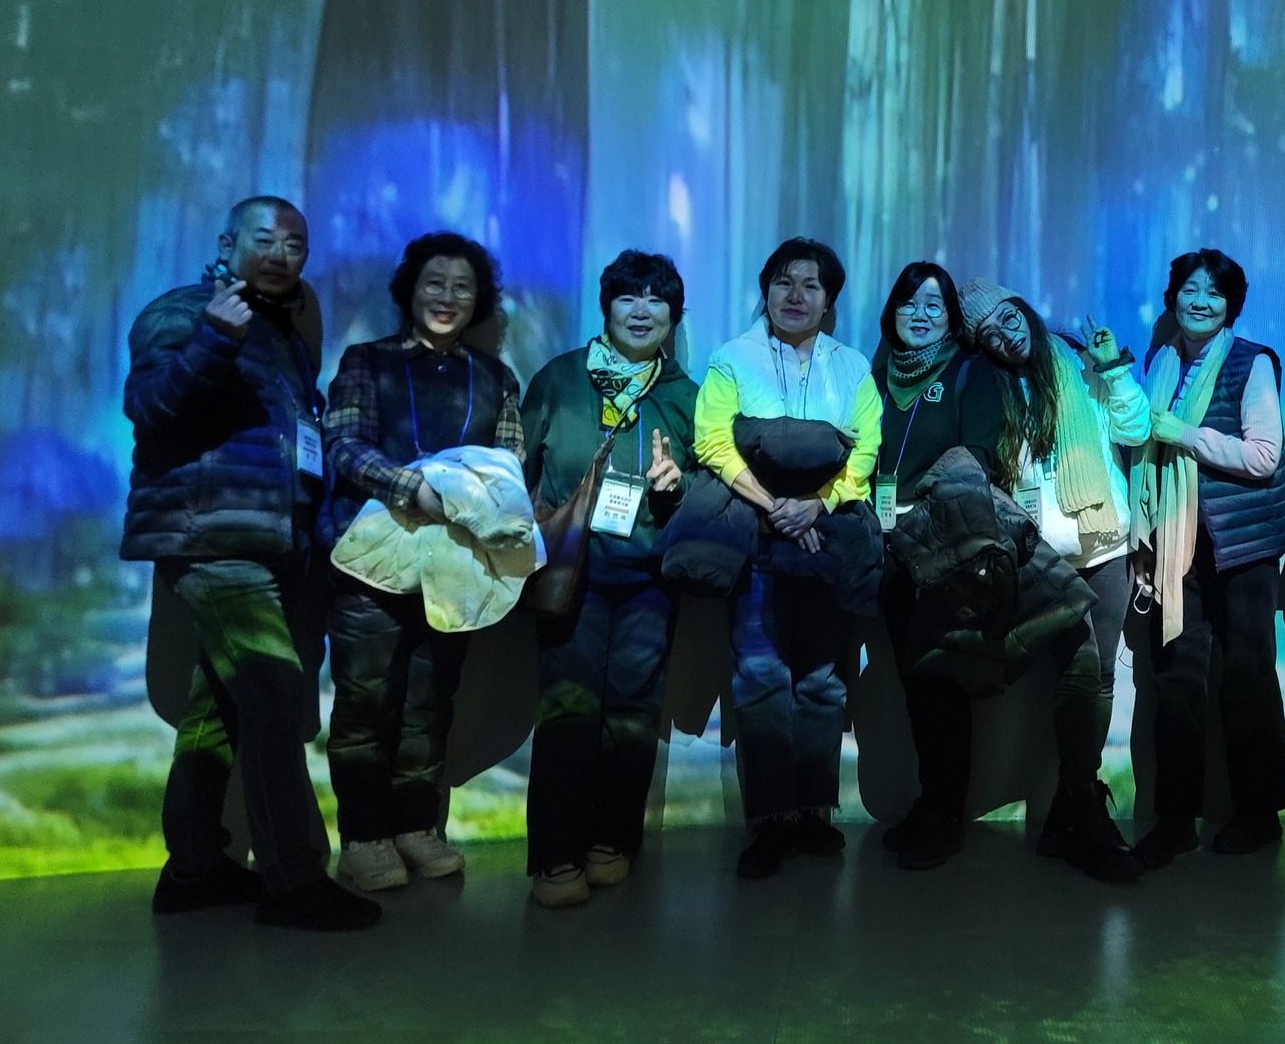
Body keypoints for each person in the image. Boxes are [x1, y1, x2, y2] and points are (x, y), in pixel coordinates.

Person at [124, 196, 379, 931]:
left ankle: (194, 868)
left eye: (294, 245)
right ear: (227, 243)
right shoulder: (181, 312)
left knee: (219, 706)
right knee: (271, 692)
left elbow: (298, 448)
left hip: (270, 544)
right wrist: (213, 337)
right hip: (210, 539)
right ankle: (293, 880)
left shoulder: (283, 337)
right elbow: (151, 408)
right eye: (263, 239)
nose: (278, 254)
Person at [322, 232, 523, 893]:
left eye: (462, 287)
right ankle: (363, 838)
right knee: (365, 703)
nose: (447, 297)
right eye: (434, 283)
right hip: (368, 566)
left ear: (478, 301)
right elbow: (344, 445)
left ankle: (416, 827)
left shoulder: (496, 378)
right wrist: (417, 490)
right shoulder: (366, 361)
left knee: (429, 703)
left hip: (456, 565)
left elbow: (511, 468)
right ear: (409, 290)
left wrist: (472, 505)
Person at [688, 238, 882, 880]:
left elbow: (865, 451)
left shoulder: (852, 367)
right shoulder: (731, 358)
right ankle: (770, 820)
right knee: (761, 679)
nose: (795, 295)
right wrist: (777, 506)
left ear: (829, 302)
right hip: (756, 537)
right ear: (766, 290)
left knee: (823, 682)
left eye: (811, 285)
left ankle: (814, 813)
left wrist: (817, 506)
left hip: (827, 541)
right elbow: (712, 442)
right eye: (783, 282)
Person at [519, 250, 697, 908]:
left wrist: (678, 485)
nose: (641, 309)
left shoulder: (684, 396)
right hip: (573, 575)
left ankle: (613, 840)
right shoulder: (561, 379)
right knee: (568, 708)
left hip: (650, 578)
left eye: (656, 298)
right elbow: (516, 468)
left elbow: (708, 486)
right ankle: (556, 856)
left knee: (633, 712)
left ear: (674, 315)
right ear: (607, 307)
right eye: (628, 296)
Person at [962, 279, 1147, 883]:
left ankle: (1072, 811)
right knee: (1079, 673)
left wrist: (1115, 369)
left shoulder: (1079, 362)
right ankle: (1082, 809)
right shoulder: (991, 388)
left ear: (1022, 309)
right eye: (989, 333)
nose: (1005, 334)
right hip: (1044, 556)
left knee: (1100, 678)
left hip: (1106, 543)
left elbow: (1135, 429)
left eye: (1007, 317)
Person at [1129, 249, 1285, 867]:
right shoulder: (1159, 361)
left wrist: (1185, 435)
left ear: (1231, 305)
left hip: (1245, 546)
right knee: (1174, 679)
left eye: (1214, 293)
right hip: (1177, 542)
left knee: (1248, 676)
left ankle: (1260, 815)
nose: (1199, 301)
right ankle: (1175, 819)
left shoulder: (1252, 362)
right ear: (1173, 296)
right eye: (1189, 289)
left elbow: (1264, 457)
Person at [868, 263, 1007, 870]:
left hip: (942, 547)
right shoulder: (876, 373)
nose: (921, 315)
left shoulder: (971, 373)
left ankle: (946, 814)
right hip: (885, 550)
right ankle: (931, 802)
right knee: (912, 682)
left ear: (952, 319)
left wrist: (920, 505)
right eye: (910, 302)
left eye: (934, 305)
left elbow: (978, 456)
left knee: (942, 681)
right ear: (892, 311)